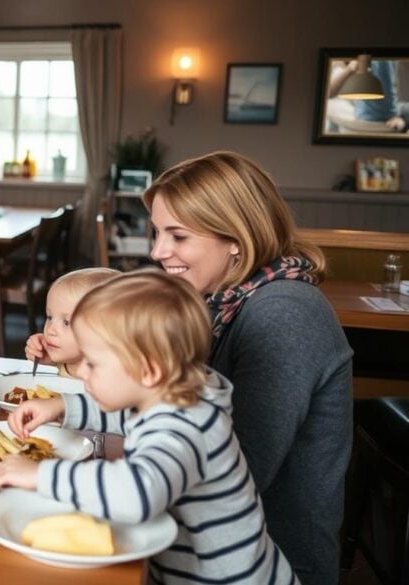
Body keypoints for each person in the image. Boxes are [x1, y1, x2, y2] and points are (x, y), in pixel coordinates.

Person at [0, 271, 297, 583]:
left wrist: (41, 475)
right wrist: (64, 406)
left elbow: (137, 492)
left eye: (93, 364)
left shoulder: (186, 427)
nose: (82, 372)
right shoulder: (176, 400)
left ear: (149, 371)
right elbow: (127, 417)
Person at [143, 151, 352, 585]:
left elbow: (239, 469)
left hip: (265, 563)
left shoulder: (283, 313)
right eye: (157, 232)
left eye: (178, 236)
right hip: (207, 546)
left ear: (235, 238)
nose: (158, 251)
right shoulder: (221, 301)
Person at [24, 267, 120, 377]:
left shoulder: (113, 376)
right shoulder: (71, 359)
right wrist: (50, 359)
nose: (50, 330)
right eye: (50, 317)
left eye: (66, 322)